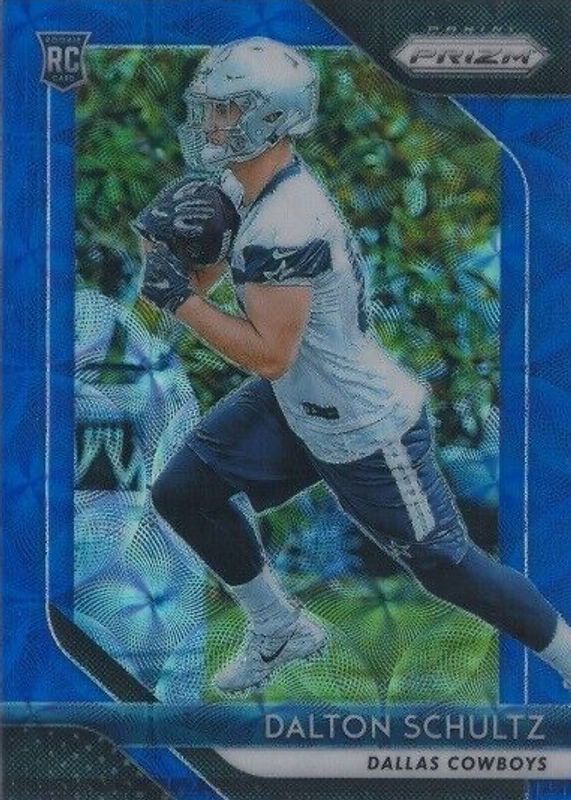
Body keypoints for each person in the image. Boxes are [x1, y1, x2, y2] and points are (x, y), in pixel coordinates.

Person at [138, 37, 571, 693]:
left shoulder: (287, 224)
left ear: (269, 117)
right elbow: (214, 278)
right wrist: (171, 252)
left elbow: (269, 353)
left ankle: (566, 654)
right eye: (213, 107)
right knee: (182, 492)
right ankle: (278, 627)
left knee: (446, 566)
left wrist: (180, 300)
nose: (212, 122)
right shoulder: (242, 186)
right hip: (297, 401)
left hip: (361, 426)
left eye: (226, 108)